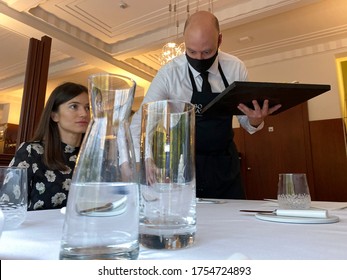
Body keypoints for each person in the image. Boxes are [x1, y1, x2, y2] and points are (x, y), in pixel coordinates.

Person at [130, 11, 281, 199]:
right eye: (192, 52)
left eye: (207, 52)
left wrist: (255, 120)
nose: (199, 58)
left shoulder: (235, 67)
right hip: (184, 163)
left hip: (225, 164)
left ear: (219, 41)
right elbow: (140, 124)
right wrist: (144, 159)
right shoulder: (169, 74)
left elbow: (246, 122)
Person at [9, 82, 90, 210]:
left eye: (88, 108)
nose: (84, 114)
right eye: (74, 106)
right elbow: (8, 204)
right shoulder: (32, 152)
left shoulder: (94, 156)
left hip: (85, 228)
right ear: (54, 115)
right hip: (37, 229)